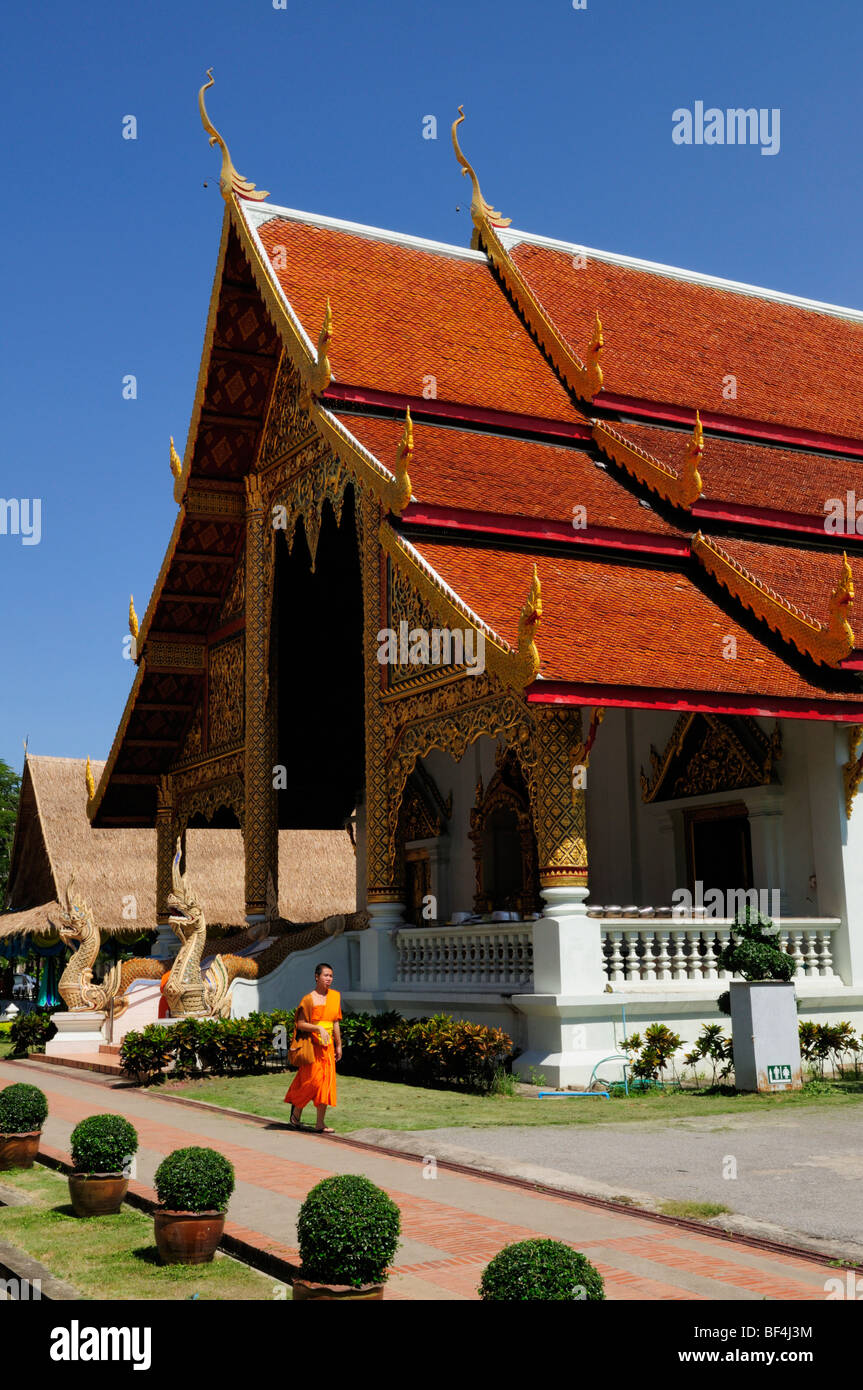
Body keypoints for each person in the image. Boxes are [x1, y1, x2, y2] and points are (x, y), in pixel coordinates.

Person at [285, 963, 342, 1133]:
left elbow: (335, 1022)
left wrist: (339, 1045)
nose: (329, 979)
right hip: (312, 1048)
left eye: (331, 976)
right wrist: (318, 1028)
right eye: (326, 975)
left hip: (328, 1047)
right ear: (317, 976)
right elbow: (300, 1024)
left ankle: (320, 1123)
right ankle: (296, 1114)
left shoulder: (335, 996)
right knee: (312, 1082)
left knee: (326, 1084)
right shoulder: (308, 999)